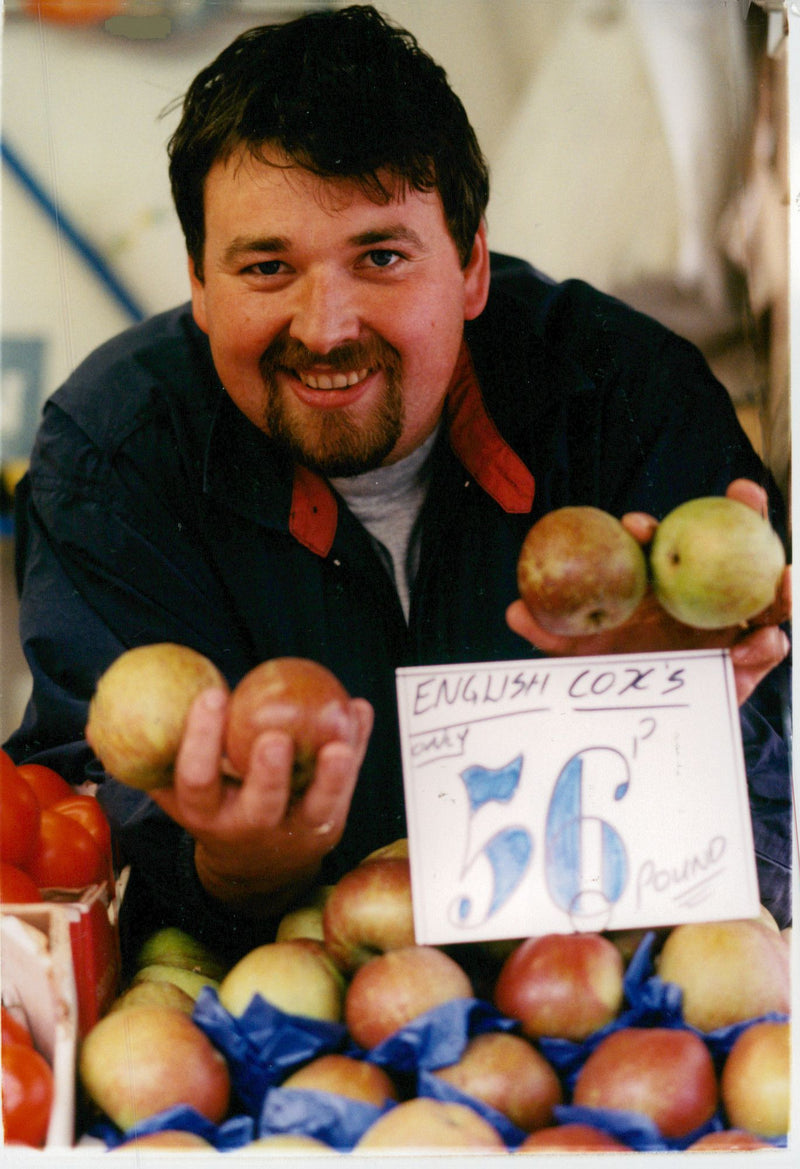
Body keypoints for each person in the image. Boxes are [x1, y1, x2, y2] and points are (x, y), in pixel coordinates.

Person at [5, 6, 791, 962]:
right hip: (257, 1054)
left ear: (469, 266)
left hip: (596, 1034)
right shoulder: (114, 453)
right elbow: (64, 861)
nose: (327, 325)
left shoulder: (627, 402)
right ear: (199, 287)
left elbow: (774, 846)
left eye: (381, 257)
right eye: (266, 266)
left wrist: (666, 710)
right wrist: (234, 868)